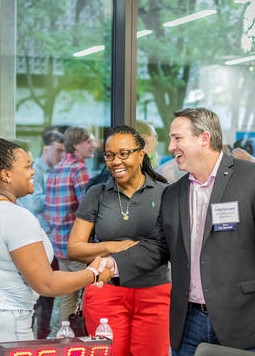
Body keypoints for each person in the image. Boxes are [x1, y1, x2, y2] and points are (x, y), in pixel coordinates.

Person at [98, 107, 255, 355]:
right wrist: (113, 264)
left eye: (177, 138)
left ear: (204, 138)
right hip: (189, 324)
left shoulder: (254, 179)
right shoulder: (173, 192)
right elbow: (158, 246)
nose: (170, 147)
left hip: (245, 321)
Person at [0, 133, 111, 356]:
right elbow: (46, 284)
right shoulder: (16, 217)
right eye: (27, 166)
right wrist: (94, 274)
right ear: (6, 174)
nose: (33, 171)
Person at [67, 125, 171, 356]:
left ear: (141, 154)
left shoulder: (165, 192)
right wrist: (115, 247)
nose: (116, 161)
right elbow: (74, 248)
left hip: (155, 294)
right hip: (106, 293)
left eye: (124, 154)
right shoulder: (97, 193)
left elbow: (170, 245)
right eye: (110, 155)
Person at [44, 126, 97, 322]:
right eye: (89, 141)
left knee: (67, 298)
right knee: (89, 298)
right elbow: (89, 209)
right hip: (77, 247)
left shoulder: (56, 169)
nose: (94, 145)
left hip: (59, 246)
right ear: (76, 145)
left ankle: (64, 339)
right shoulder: (79, 169)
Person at [19, 129, 64, 339]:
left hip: (50, 241)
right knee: (36, 297)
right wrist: (58, 192)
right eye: (57, 150)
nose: (61, 155)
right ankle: (34, 337)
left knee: (47, 299)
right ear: (46, 148)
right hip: (34, 241)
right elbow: (33, 204)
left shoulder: (54, 170)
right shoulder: (36, 171)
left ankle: (43, 337)